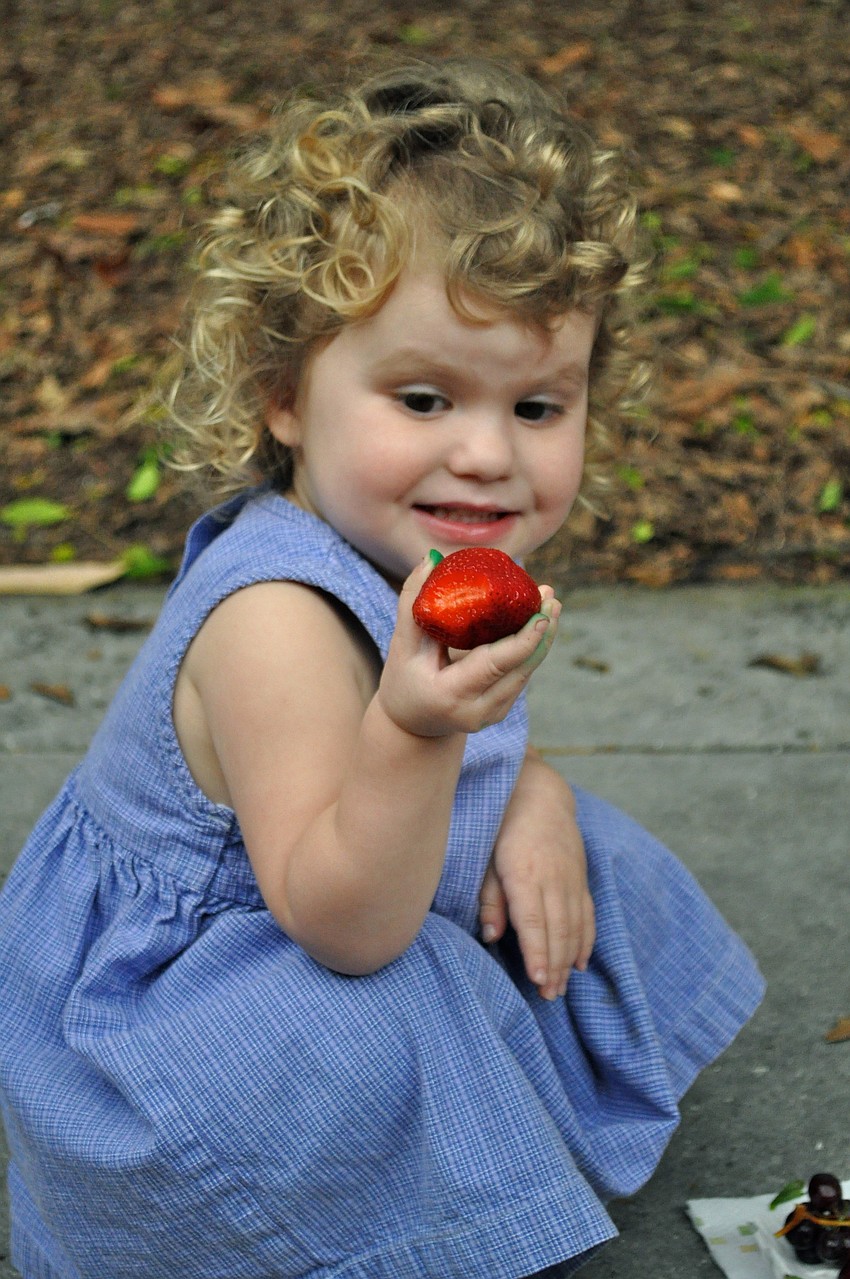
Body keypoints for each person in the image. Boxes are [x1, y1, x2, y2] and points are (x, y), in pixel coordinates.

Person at [0, 57, 763, 1279]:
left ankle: (502, 1145)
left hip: (337, 880)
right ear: (282, 394)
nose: (484, 455)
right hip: (188, 1015)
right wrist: (414, 730)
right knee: (377, 1015)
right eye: (422, 395)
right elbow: (342, 924)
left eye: (535, 407)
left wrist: (536, 788)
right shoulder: (276, 621)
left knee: (579, 851)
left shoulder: (404, 552)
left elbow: (480, 756)